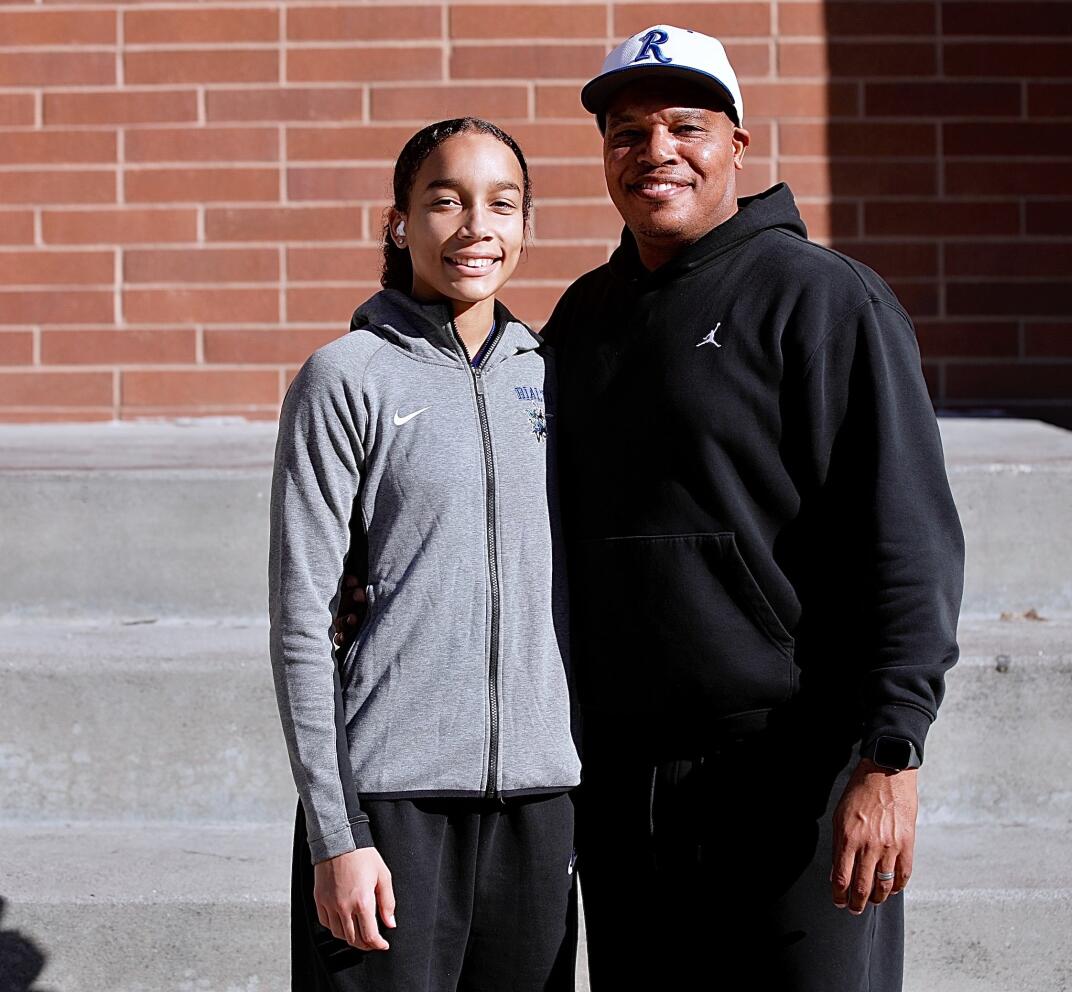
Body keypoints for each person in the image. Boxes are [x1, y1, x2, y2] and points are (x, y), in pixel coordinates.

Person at [543, 26, 965, 991]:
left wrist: (891, 755)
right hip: (620, 781)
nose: (656, 153)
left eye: (686, 126)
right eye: (627, 133)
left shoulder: (824, 301)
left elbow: (905, 537)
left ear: (738, 143)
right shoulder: (582, 319)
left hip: (792, 777)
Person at [269, 117, 580, 992]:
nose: (476, 226)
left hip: (540, 801)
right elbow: (300, 621)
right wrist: (339, 835)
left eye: (502, 204)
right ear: (399, 221)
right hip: (390, 804)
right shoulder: (347, 377)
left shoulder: (557, 376)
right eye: (445, 201)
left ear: (526, 225)